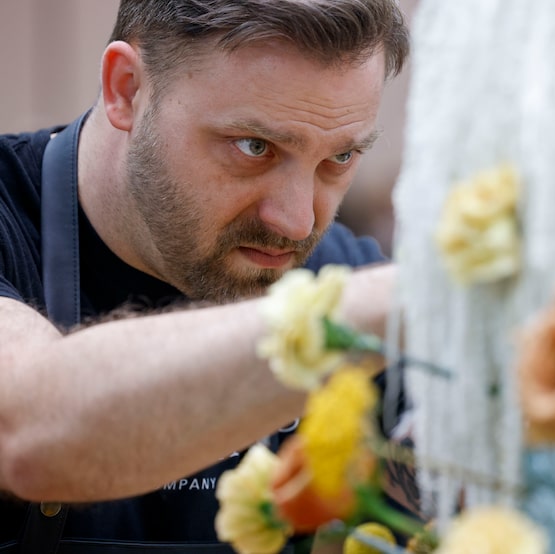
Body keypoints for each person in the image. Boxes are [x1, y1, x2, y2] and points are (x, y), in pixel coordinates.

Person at [0, 0, 414, 551]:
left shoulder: (339, 274)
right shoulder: (359, 303)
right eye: (254, 147)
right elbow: (28, 435)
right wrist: (406, 298)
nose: (295, 222)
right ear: (126, 88)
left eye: (338, 159)